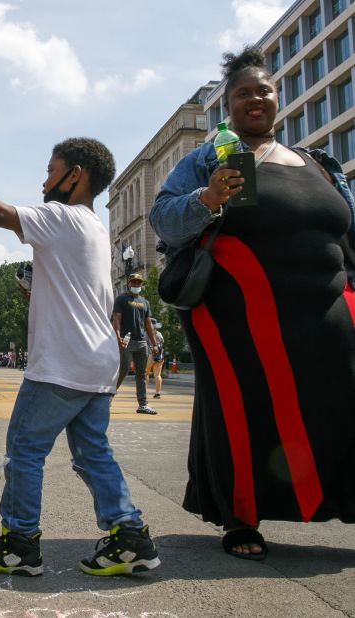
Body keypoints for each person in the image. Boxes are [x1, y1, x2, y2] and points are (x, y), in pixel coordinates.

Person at [150, 46, 355, 561]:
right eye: (243, 93)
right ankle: (242, 517)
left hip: (329, 310)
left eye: (263, 89)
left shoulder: (321, 163)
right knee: (247, 412)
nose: (255, 99)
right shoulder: (209, 158)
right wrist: (208, 198)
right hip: (239, 315)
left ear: (276, 96)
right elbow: (163, 219)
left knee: (343, 408)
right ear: (230, 107)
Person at [0, 138, 160, 577]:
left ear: (76, 174)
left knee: (24, 450)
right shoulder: (95, 229)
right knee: (93, 454)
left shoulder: (62, 216)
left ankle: (19, 543)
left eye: (51, 170)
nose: (44, 180)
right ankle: (130, 537)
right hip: (97, 362)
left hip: (63, 362)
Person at [112, 272, 159, 415]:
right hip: (126, 342)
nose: (136, 285)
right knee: (123, 370)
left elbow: (148, 324)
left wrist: (154, 343)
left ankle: (143, 405)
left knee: (142, 374)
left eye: (139, 283)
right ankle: (107, 397)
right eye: (134, 282)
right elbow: (116, 319)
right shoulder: (121, 299)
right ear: (129, 283)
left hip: (141, 343)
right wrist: (118, 337)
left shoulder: (145, 302)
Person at [145, 319, 165, 399]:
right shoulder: (159, 334)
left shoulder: (146, 333)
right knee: (157, 375)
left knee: (145, 374)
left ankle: (143, 392)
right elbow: (162, 345)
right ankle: (157, 393)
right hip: (159, 356)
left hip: (150, 355)